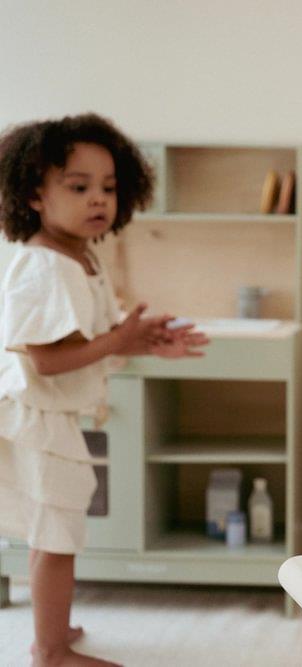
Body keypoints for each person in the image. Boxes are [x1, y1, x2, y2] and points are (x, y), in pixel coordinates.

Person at [0, 113, 209, 667]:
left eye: (109, 188)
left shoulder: (79, 256)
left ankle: (55, 629)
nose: (98, 199)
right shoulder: (45, 265)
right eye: (78, 186)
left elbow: (85, 342)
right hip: (36, 418)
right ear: (34, 194)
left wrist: (141, 341)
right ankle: (48, 650)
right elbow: (45, 360)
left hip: (50, 415)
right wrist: (122, 335)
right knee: (58, 534)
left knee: (58, 527)